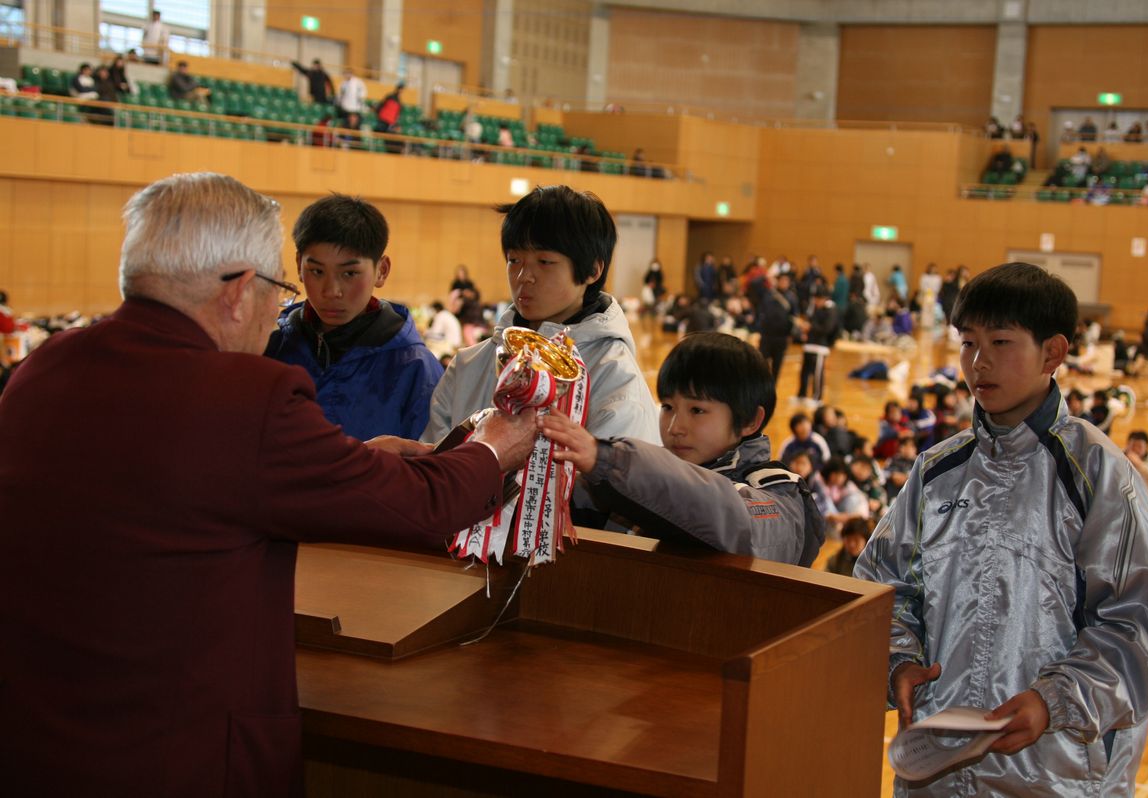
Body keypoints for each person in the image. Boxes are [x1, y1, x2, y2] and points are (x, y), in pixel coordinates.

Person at [0, 172, 537, 796]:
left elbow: (190, 486)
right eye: (284, 285)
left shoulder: (44, 367)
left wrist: (350, 460)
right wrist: (494, 447)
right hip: (178, 753)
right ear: (239, 292)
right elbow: (423, 507)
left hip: (34, 737)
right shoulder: (245, 397)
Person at [855, 262, 1148, 796]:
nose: (979, 363)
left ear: (1053, 353)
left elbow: (1135, 625)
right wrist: (899, 663)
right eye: (968, 343)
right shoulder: (937, 471)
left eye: (1000, 342)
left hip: (1058, 773)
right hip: (938, 772)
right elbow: (885, 589)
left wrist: (1055, 700)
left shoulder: (1097, 474)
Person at [538, 332, 824, 566]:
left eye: (697, 410)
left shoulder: (781, 494)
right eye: (668, 407)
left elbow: (723, 514)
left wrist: (608, 460)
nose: (675, 426)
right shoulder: (644, 478)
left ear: (750, 420)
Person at [422, 185, 660, 449]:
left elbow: (622, 484)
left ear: (592, 270)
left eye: (544, 262)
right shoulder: (467, 366)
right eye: (514, 260)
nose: (524, 276)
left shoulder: (617, 381)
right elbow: (434, 473)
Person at [265, 194, 441, 442]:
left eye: (349, 273)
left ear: (381, 270)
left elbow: (428, 470)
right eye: (316, 271)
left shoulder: (416, 369)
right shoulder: (272, 349)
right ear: (298, 265)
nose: (331, 291)